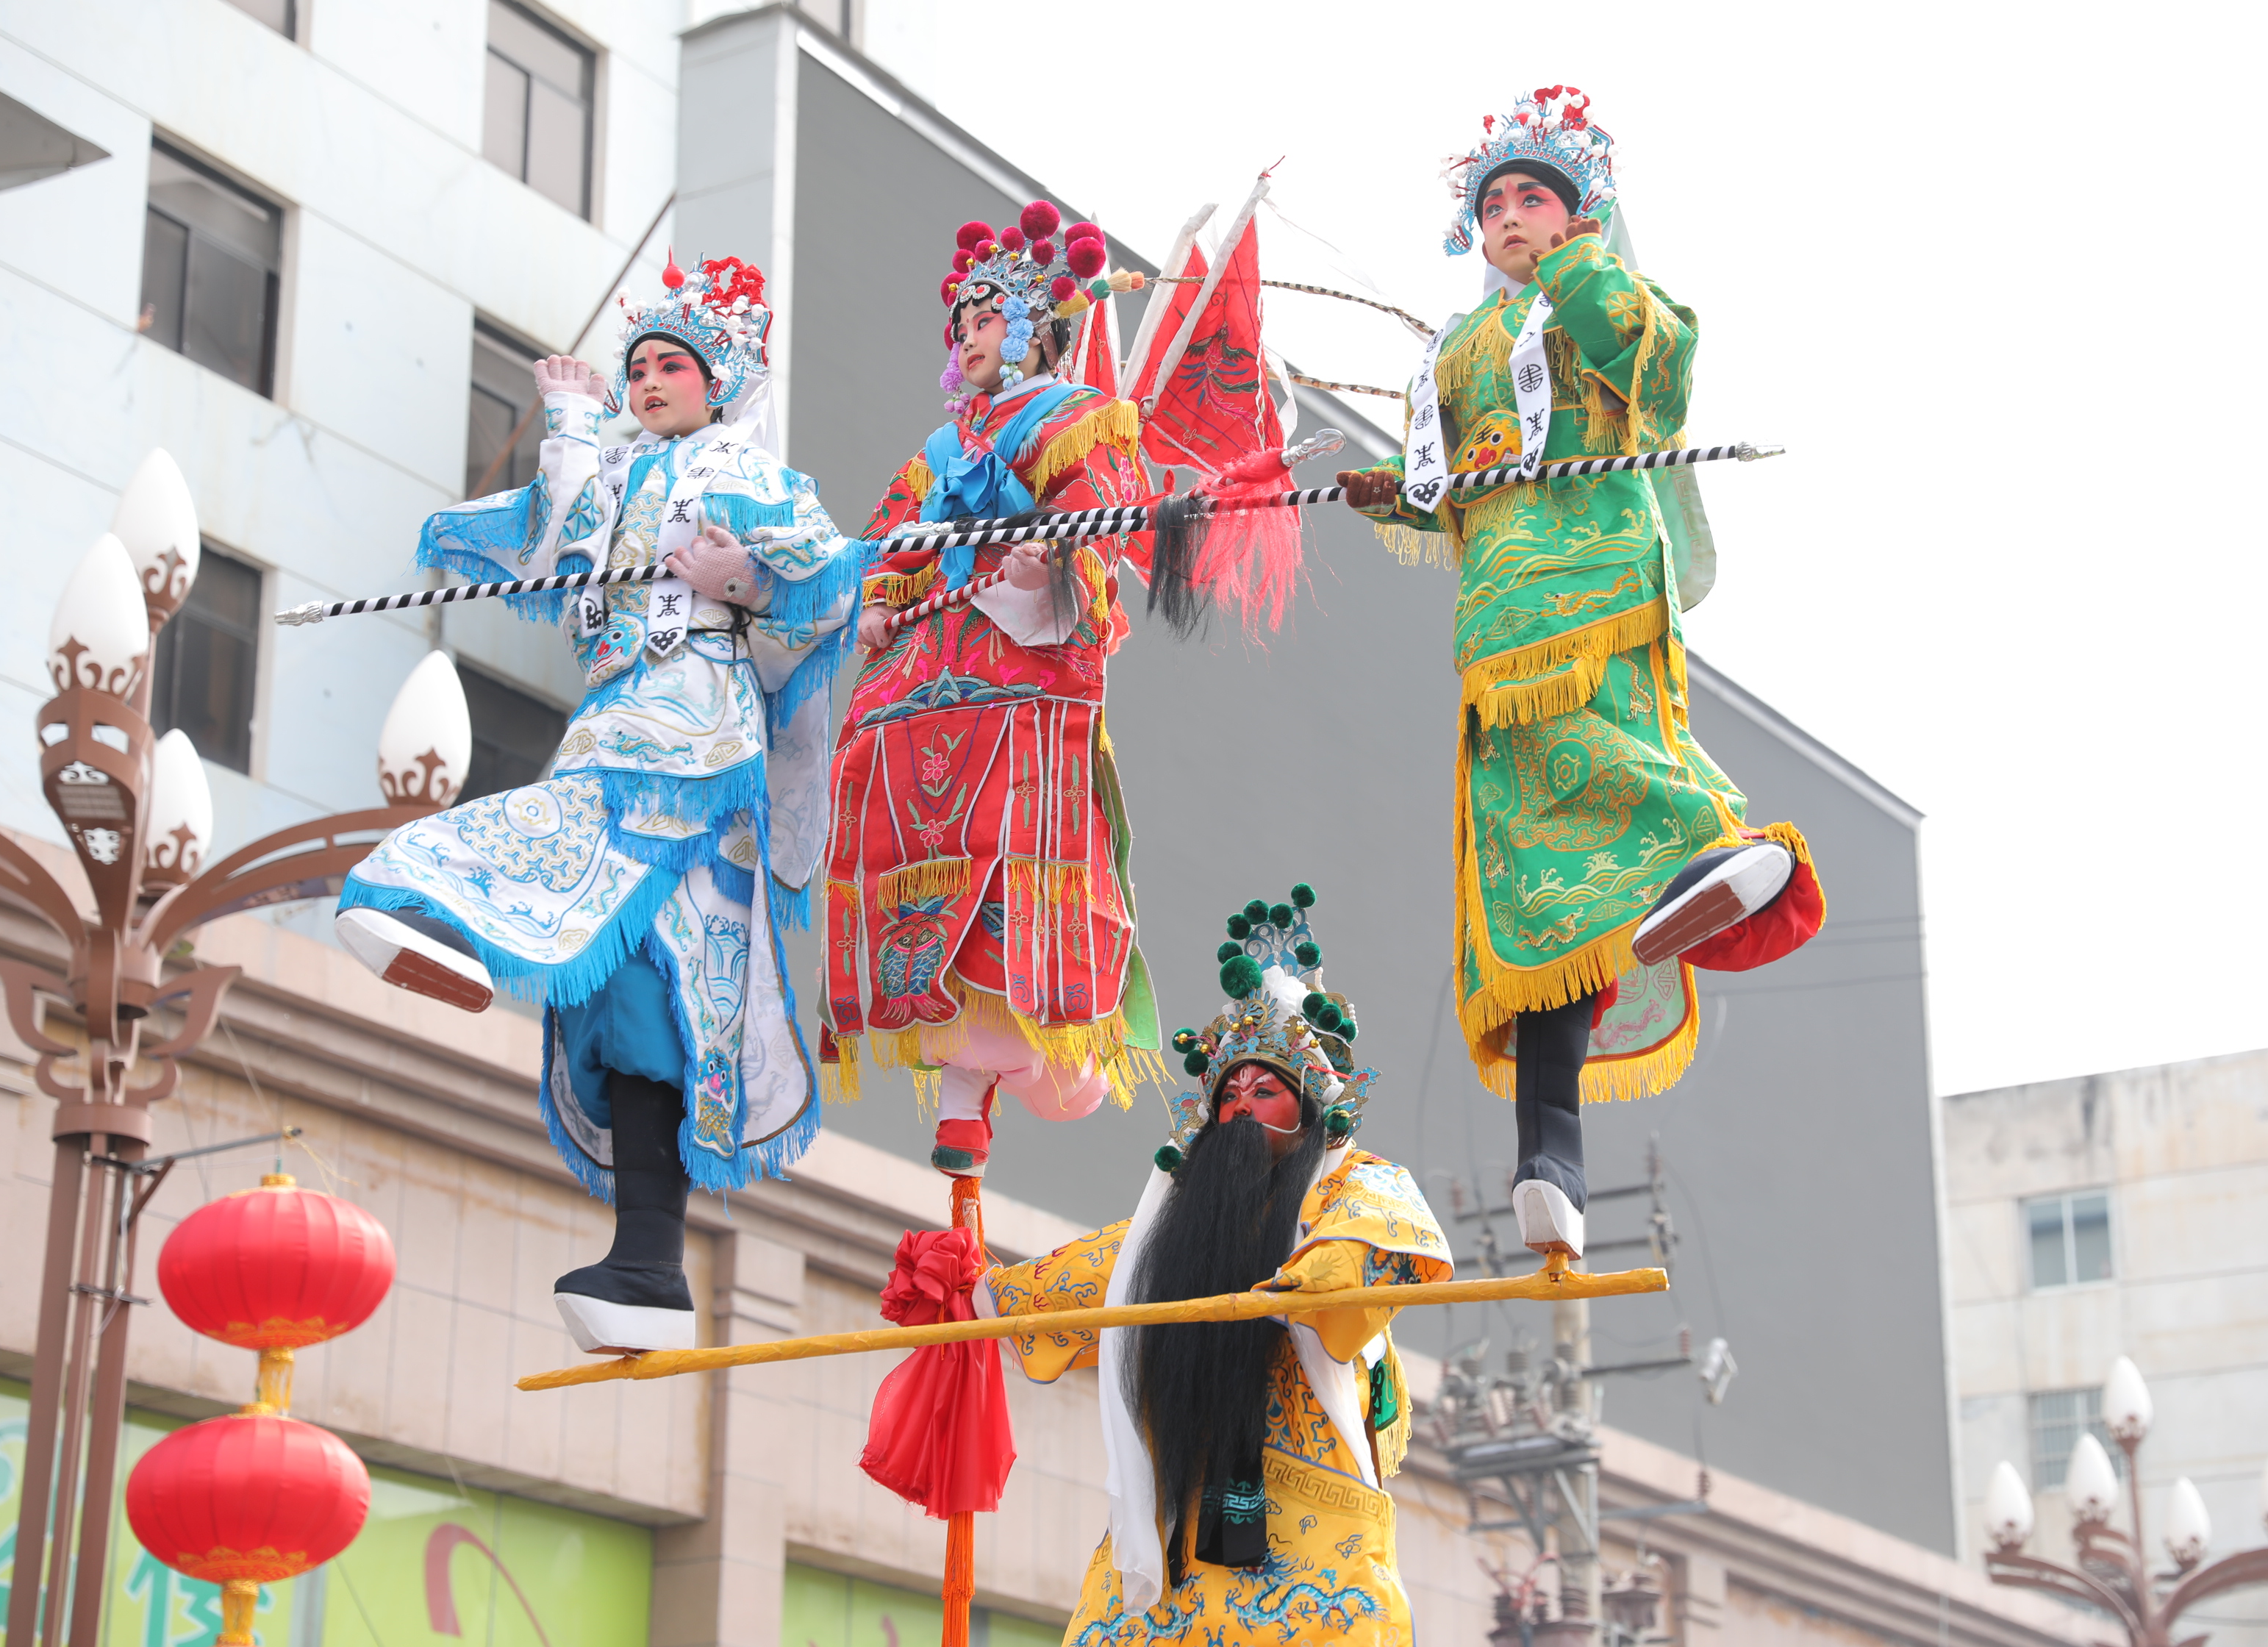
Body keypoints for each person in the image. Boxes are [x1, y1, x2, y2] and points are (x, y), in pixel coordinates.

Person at [333, 254, 867, 1355]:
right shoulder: (620, 470)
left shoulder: (747, 473)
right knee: (634, 1006)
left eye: (673, 363)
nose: (652, 378)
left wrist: (751, 587)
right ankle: (646, 1269)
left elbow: (833, 583)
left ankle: (434, 908)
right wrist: (572, 425)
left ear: (721, 384)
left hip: (695, 739)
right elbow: (555, 554)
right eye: (640, 367)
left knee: (612, 922)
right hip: (621, 721)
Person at [1334, 87, 1826, 1258]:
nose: (1510, 216)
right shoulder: (1457, 347)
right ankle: (1545, 1152)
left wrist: (1576, 264)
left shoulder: (1599, 296)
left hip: (1597, 575)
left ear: (1577, 214)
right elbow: (1447, 480)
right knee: (1527, 878)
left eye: (1533, 199)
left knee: (1611, 752)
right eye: (1495, 202)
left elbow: (1659, 371)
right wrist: (1386, 492)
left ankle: (1715, 855)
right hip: (1497, 618)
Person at [962, 887, 1446, 1643]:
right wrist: (972, 1284)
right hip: (1180, 1521)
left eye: (1268, 1090)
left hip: (1311, 1524)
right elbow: (1081, 1282)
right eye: (1230, 1093)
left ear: (1312, 1111)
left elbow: (1387, 1238)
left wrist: (1316, 1277)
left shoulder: (1353, 1186)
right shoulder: (1171, 1233)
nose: (1244, 1106)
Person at [819, 201, 1162, 1177]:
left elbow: (1099, 521)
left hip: (1018, 664)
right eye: (961, 323)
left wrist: (1050, 562)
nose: (967, 337)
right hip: (932, 673)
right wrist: (884, 597)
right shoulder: (938, 449)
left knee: (1008, 858)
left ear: (1039, 332)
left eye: (986, 320)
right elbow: (896, 536)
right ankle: (963, 1096)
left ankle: (1002, 1072)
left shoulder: (1080, 417)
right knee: (919, 850)